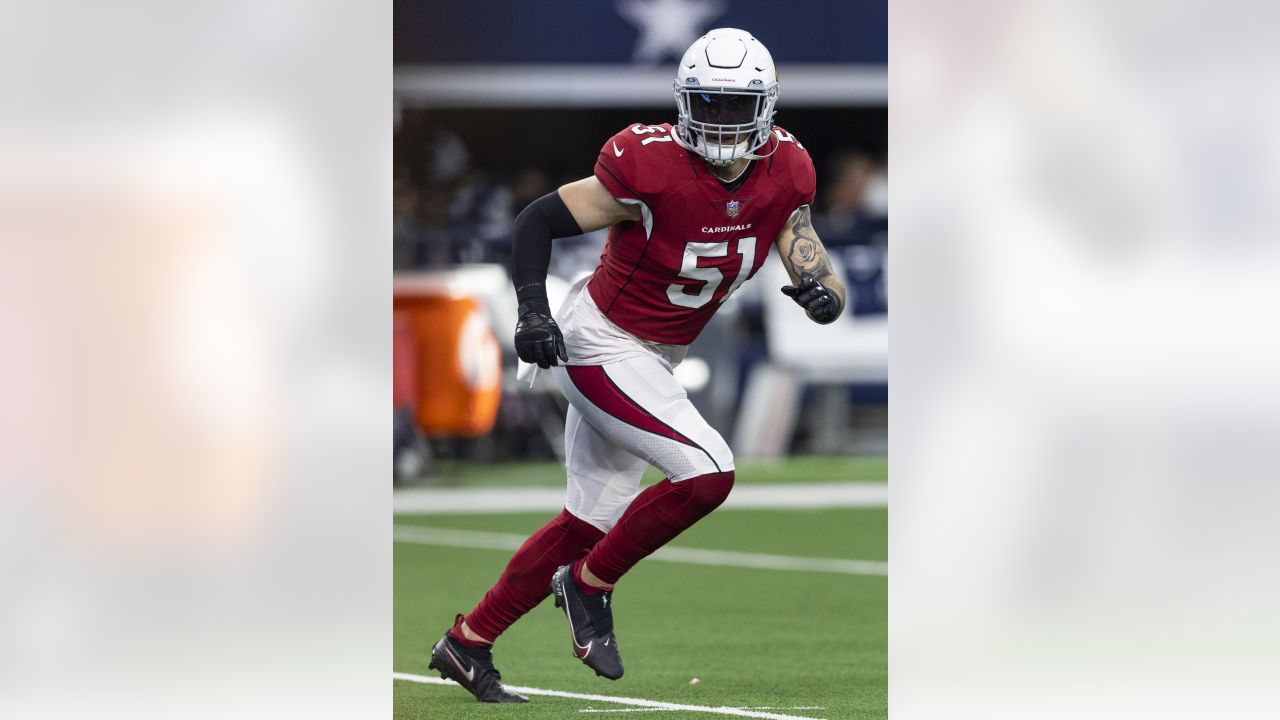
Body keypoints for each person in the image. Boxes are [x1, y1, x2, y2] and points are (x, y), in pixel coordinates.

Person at [427, 28, 847, 703]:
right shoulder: (648, 164)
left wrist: (824, 295)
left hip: (654, 356)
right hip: (600, 342)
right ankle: (588, 587)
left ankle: (468, 643)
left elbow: (811, 259)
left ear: (765, 108)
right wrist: (533, 312)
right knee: (709, 472)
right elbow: (536, 221)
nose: (720, 121)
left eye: (736, 106)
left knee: (585, 525)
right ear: (684, 103)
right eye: (707, 103)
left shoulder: (788, 171)